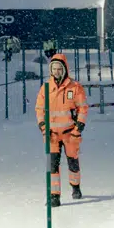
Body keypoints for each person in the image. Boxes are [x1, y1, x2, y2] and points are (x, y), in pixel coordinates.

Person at [35, 52, 88, 205]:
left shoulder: (75, 87)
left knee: (73, 163)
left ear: (65, 69)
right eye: (54, 69)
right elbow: (39, 109)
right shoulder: (46, 88)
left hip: (70, 134)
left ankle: (75, 187)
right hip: (52, 135)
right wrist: (44, 127)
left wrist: (78, 129)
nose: (56, 72)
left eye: (59, 69)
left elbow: (83, 108)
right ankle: (54, 196)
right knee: (53, 166)